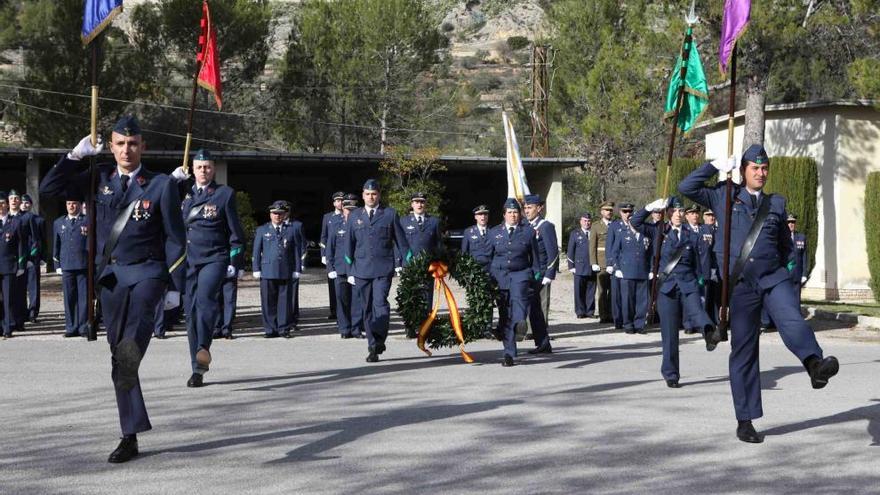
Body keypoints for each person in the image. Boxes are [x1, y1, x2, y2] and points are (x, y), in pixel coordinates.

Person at [40, 115, 187, 463]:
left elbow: (175, 238)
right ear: (110, 146)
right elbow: (48, 191)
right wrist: (74, 156)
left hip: (148, 275)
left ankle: (129, 432)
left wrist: (173, 285)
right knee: (120, 358)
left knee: (127, 352)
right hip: (110, 280)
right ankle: (130, 434)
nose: (127, 150)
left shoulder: (160, 184)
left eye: (133, 144)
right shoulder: (98, 178)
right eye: (120, 144)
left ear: (143, 147)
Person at [679, 144, 839, 443]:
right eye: (755, 168)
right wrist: (714, 166)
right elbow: (686, 186)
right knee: (744, 351)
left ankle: (815, 365)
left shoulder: (776, 203)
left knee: (792, 319)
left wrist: (787, 271)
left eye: (764, 168)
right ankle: (745, 420)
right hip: (741, 286)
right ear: (743, 171)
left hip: (773, 278)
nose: (761, 173)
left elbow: (785, 245)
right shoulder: (723, 195)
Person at [170, 149, 246, 388]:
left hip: (214, 258)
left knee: (205, 301)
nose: (204, 171)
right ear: (192, 169)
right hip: (188, 261)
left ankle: (204, 344)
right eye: (199, 167)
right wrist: (173, 182)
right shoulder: (182, 193)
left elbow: (236, 233)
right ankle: (198, 366)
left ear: (213, 169)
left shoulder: (224, 194)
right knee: (191, 313)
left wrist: (236, 263)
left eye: (208, 167)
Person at [633, 197, 719, 388]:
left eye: (681, 211)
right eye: (674, 211)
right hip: (667, 287)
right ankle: (671, 374)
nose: (678, 215)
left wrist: (701, 279)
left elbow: (698, 259)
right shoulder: (659, 231)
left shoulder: (692, 233)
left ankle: (709, 333)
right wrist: (650, 206)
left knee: (698, 311)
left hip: (688, 283)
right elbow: (635, 222)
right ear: (668, 212)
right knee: (670, 334)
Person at [343, 179, 410, 363]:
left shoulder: (389, 214)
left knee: (380, 304)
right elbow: (348, 246)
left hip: (382, 269)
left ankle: (379, 338)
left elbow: (402, 242)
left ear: (379, 195)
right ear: (363, 195)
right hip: (361, 270)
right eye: (367, 194)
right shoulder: (354, 216)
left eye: (374, 194)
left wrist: (407, 264)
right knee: (367, 308)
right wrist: (349, 272)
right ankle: (373, 346)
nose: (371, 197)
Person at [487, 198, 541, 366]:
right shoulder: (494, 232)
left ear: (520, 214)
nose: (513, 215)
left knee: (519, 309)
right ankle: (509, 353)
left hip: (521, 275)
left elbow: (535, 259)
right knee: (505, 315)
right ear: (504, 215)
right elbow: (488, 257)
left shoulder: (528, 232)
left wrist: (536, 276)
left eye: (516, 212)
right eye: (509, 212)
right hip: (500, 277)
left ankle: (519, 326)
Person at [253, 201, 302, 338]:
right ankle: (270, 329)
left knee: (285, 302)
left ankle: (283, 329)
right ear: (270, 214)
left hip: (286, 269)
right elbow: (256, 251)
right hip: (267, 270)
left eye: (280, 213)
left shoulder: (291, 230)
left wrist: (297, 268)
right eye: (275, 213)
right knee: (268, 302)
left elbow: (296, 251)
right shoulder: (262, 230)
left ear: (284, 214)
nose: (277, 216)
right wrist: (256, 268)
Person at [607, 202, 651, 334]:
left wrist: (652, 269)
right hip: (626, 271)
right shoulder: (621, 233)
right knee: (627, 300)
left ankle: (639, 324)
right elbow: (614, 251)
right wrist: (615, 267)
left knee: (642, 300)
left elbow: (651, 253)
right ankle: (628, 323)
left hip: (642, 271)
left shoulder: (645, 235)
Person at [523, 194, 557, 354]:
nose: (526, 210)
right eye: (525, 207)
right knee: (533, 309)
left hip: (541, 274)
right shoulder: (525, 225)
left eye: (530, 207)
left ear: (539, 208)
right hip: (529, 273)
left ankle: (543, 342)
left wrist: (549, 274)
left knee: (538, 309)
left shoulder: (545, 226)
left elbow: (553, 252)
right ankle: (542, 342)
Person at [326, 193, 364, 339]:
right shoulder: (336, 225)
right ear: (343, 210)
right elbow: (330, 248)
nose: (350, 212)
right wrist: (330, 268)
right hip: (340, 269)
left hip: (357, 269)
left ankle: (356, 328)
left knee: (357, 301)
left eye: (353, 209)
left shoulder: (361, 225)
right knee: (342, 300)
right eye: (348, 209)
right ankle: (344, 328)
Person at [400, 191, 442, 317]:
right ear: (412, 204)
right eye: (416, 202)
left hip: (427, 265)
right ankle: (411, 326)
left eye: (422, 202)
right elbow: (399, 243)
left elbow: (438, 244)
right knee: (410, 295)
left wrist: (439, 263)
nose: (419, 205)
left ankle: (426, 324)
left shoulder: (434, 221)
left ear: (426, 204)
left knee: (427, 295)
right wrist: (398, 263)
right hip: (410, 264)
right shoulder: (403, 221)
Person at [53, 194, 89, 337]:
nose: (71, 206)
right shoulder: (59, 222)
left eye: (74, 203)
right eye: (69, 203)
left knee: (83, 297)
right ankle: (70, 327)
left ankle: (83, 326)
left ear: (79, 205)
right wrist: (57, 264)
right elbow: (56, 245)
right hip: (67, 264)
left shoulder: (87, 221)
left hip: (83, 264)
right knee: (69, 297)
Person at [461, 204, 497, 339]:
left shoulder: (494, 232)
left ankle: (487, 328)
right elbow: (464, 253)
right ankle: (476, 327)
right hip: (474, 272)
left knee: (488, 300)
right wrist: (465, 272)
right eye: (480, 215)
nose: (483, 217)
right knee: (475, 299)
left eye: (485, 214)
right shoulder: (468, 232)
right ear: (475, 217)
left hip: (490, 271)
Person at [7, 190, 33, 331]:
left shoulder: (26, 218)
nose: (14, 201)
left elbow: (31, 239)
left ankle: (19, 320)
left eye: (16, 198)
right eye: (11, 198)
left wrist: (27, 260)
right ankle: (8, 320)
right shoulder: (4, 217)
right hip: (6, 261)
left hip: (21, 260)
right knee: (7, 294)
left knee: (20, 293)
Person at [0, 191, 26, 339]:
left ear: (6, 205)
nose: (0, 206)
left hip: (9, 265)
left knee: (9, 298)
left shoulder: (15, 222)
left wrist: (21, 265)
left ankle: (8, 327)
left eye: (2, 203)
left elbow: (21, 245)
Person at [590, 201, 619, 326]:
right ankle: (603, 315)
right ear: (601, 212)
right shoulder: (596, 226)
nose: (609, 212)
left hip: (614, 262)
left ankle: (612, 314)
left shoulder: (616, 225)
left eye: (611, 210)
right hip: (601, 262)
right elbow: (592, 245)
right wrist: (593, 262)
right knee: (602, 291)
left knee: (613, 291)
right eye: (606, 210)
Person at [320, 192, 346, 321]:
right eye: (338, 200)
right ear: (334, 203)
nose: (340, 203)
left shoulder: (349, 216)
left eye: (342, 200)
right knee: (332, 285)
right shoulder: (328, 217)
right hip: (332, 255)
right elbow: (323, 237)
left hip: (344, 255)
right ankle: (334, 310)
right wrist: (323, 254)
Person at [20, 193, 45, 323]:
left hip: (32, 257)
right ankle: (22, 312)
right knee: (20, 287)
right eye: (22, 202)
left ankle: (33, 312)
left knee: (33, 286)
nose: (24, 205)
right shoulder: (15, 219)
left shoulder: (37, 220)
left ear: (31, 205)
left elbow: (40, 240)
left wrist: (39, 256)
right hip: (19, 257)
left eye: (27, 203)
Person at [566, 212, 596, 318]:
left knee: (591, 290)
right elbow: (570, 251)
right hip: (579, 267)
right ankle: (580, 311)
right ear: (580, 222)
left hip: (592, 266)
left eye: (588, 221)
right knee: (579, 291)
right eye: (585, 221)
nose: (587, 223)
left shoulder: (594, 232)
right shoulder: (575, 233)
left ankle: (590, 311)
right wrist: (571, 266)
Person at [284, 206, 307, 331]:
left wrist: (301, 263)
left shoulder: (297, 225)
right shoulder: (271, 226)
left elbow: (302, 246)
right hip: (278, 266)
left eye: (285, 211)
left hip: (293, 265)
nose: (283, 214)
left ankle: (292, 319)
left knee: (292, 294)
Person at [701, 209, 720, 325]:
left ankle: (716, 320)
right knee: (704, 296)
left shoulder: (719, 230)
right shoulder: (701, 230)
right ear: (703, 217)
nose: (711, 217)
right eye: (708, 215)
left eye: (713, 215)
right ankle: (704, 322)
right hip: (705, 268)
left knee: (716, 296)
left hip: (717, 267)